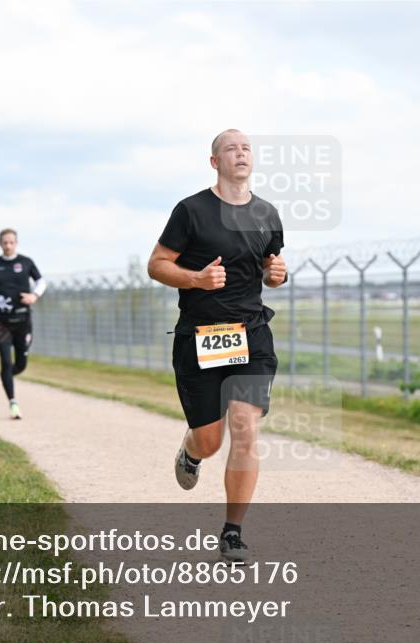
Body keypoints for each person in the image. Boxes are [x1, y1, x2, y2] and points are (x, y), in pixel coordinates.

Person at [147, 129, 287, 562]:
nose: (240, 153)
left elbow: (269, 267)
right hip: (201, 338)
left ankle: (232, 532)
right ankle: (192, 452)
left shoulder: (267, 213)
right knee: (210, 441)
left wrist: (276, 274)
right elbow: (157, 264)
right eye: (231, 148)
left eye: (246, 148)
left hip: (252, 334)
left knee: (245, 428)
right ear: (215, 162)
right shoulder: (191, 211)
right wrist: (195, 279)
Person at [0, 229, 46, 419]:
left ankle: (6, 377)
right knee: (6, 362)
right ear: (0, 244)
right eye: (4, 243)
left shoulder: (26, 262)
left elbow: (41, 281)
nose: (8, 246)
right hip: (2, 322)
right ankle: (13, 403)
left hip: (23, 321)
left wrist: (34, 295)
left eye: (11, 242)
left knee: (20, 365)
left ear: (16, 243)